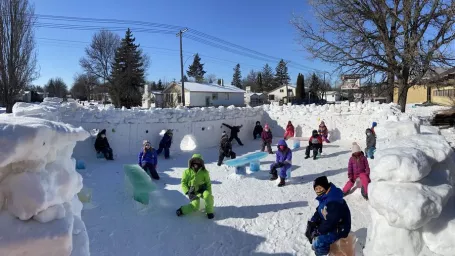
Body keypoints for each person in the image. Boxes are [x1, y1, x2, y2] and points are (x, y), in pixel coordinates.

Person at [305, 176, 351, 256]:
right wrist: (314, 220)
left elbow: (331, 221)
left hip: (340, 228)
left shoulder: (333, 200)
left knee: (320, 240)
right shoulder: (326, 196)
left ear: (325, 186)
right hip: (333, 224)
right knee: (313, 229)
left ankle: (321, 253)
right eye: (316, 189)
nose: (318, 191)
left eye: (320, 188)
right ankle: (318, 246)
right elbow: (320, 210)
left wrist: (318, 231)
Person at [176, 154, 214, 219]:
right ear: (191, 162)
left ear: (201, 163)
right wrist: (187, 192)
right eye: (194, 161)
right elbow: (183, 182)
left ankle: (209, 212)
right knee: (196, 205)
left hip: (202, 189)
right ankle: (182, 210)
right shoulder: (187, 172)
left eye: (198, 161)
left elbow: (208, 183)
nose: (196, 163)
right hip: (192, 191)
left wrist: (209, 193)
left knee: (208, 196)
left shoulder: (204, 172)